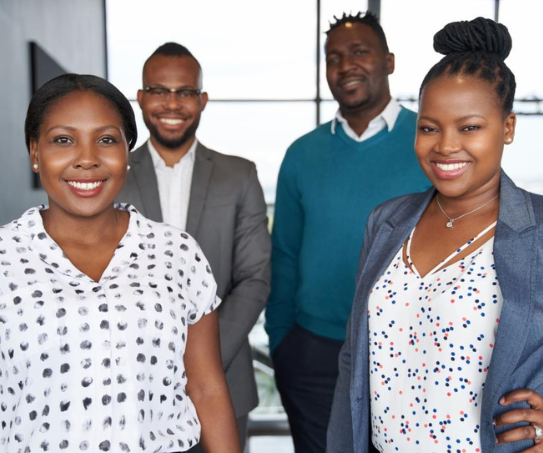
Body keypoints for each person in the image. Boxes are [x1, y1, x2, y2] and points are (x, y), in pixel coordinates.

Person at [327, 16, 543, 453]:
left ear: (507, 128)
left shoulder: (537, 231)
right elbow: (354, 359)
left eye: (469, 127)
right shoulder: (386, 221)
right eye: (429, 127)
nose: (445, 145)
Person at [0, 73, 241, 453]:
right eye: (63, 140)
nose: (87, 159)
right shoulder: (4, 258)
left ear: (127, 153)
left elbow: (206, 387)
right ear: (34, 153)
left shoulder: (177, 252)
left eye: (107, 140)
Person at [265, 11, 430, 453]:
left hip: (411, 351)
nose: (346, 65)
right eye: (333, 57)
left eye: (360, 52)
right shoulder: (301, 154)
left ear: (389, 61)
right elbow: (283, 254)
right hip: (315, 355)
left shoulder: (431, 140)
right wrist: (283, 346)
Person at [117, 42, 271, 452]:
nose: (172, 103)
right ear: (142, 98)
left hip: (224, 378)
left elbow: (254, 278)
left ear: (202, 100)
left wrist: (204, 361)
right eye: (159, 90)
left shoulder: (239, 175)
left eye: (185, 92)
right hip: (130, 385)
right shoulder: (112, 175)